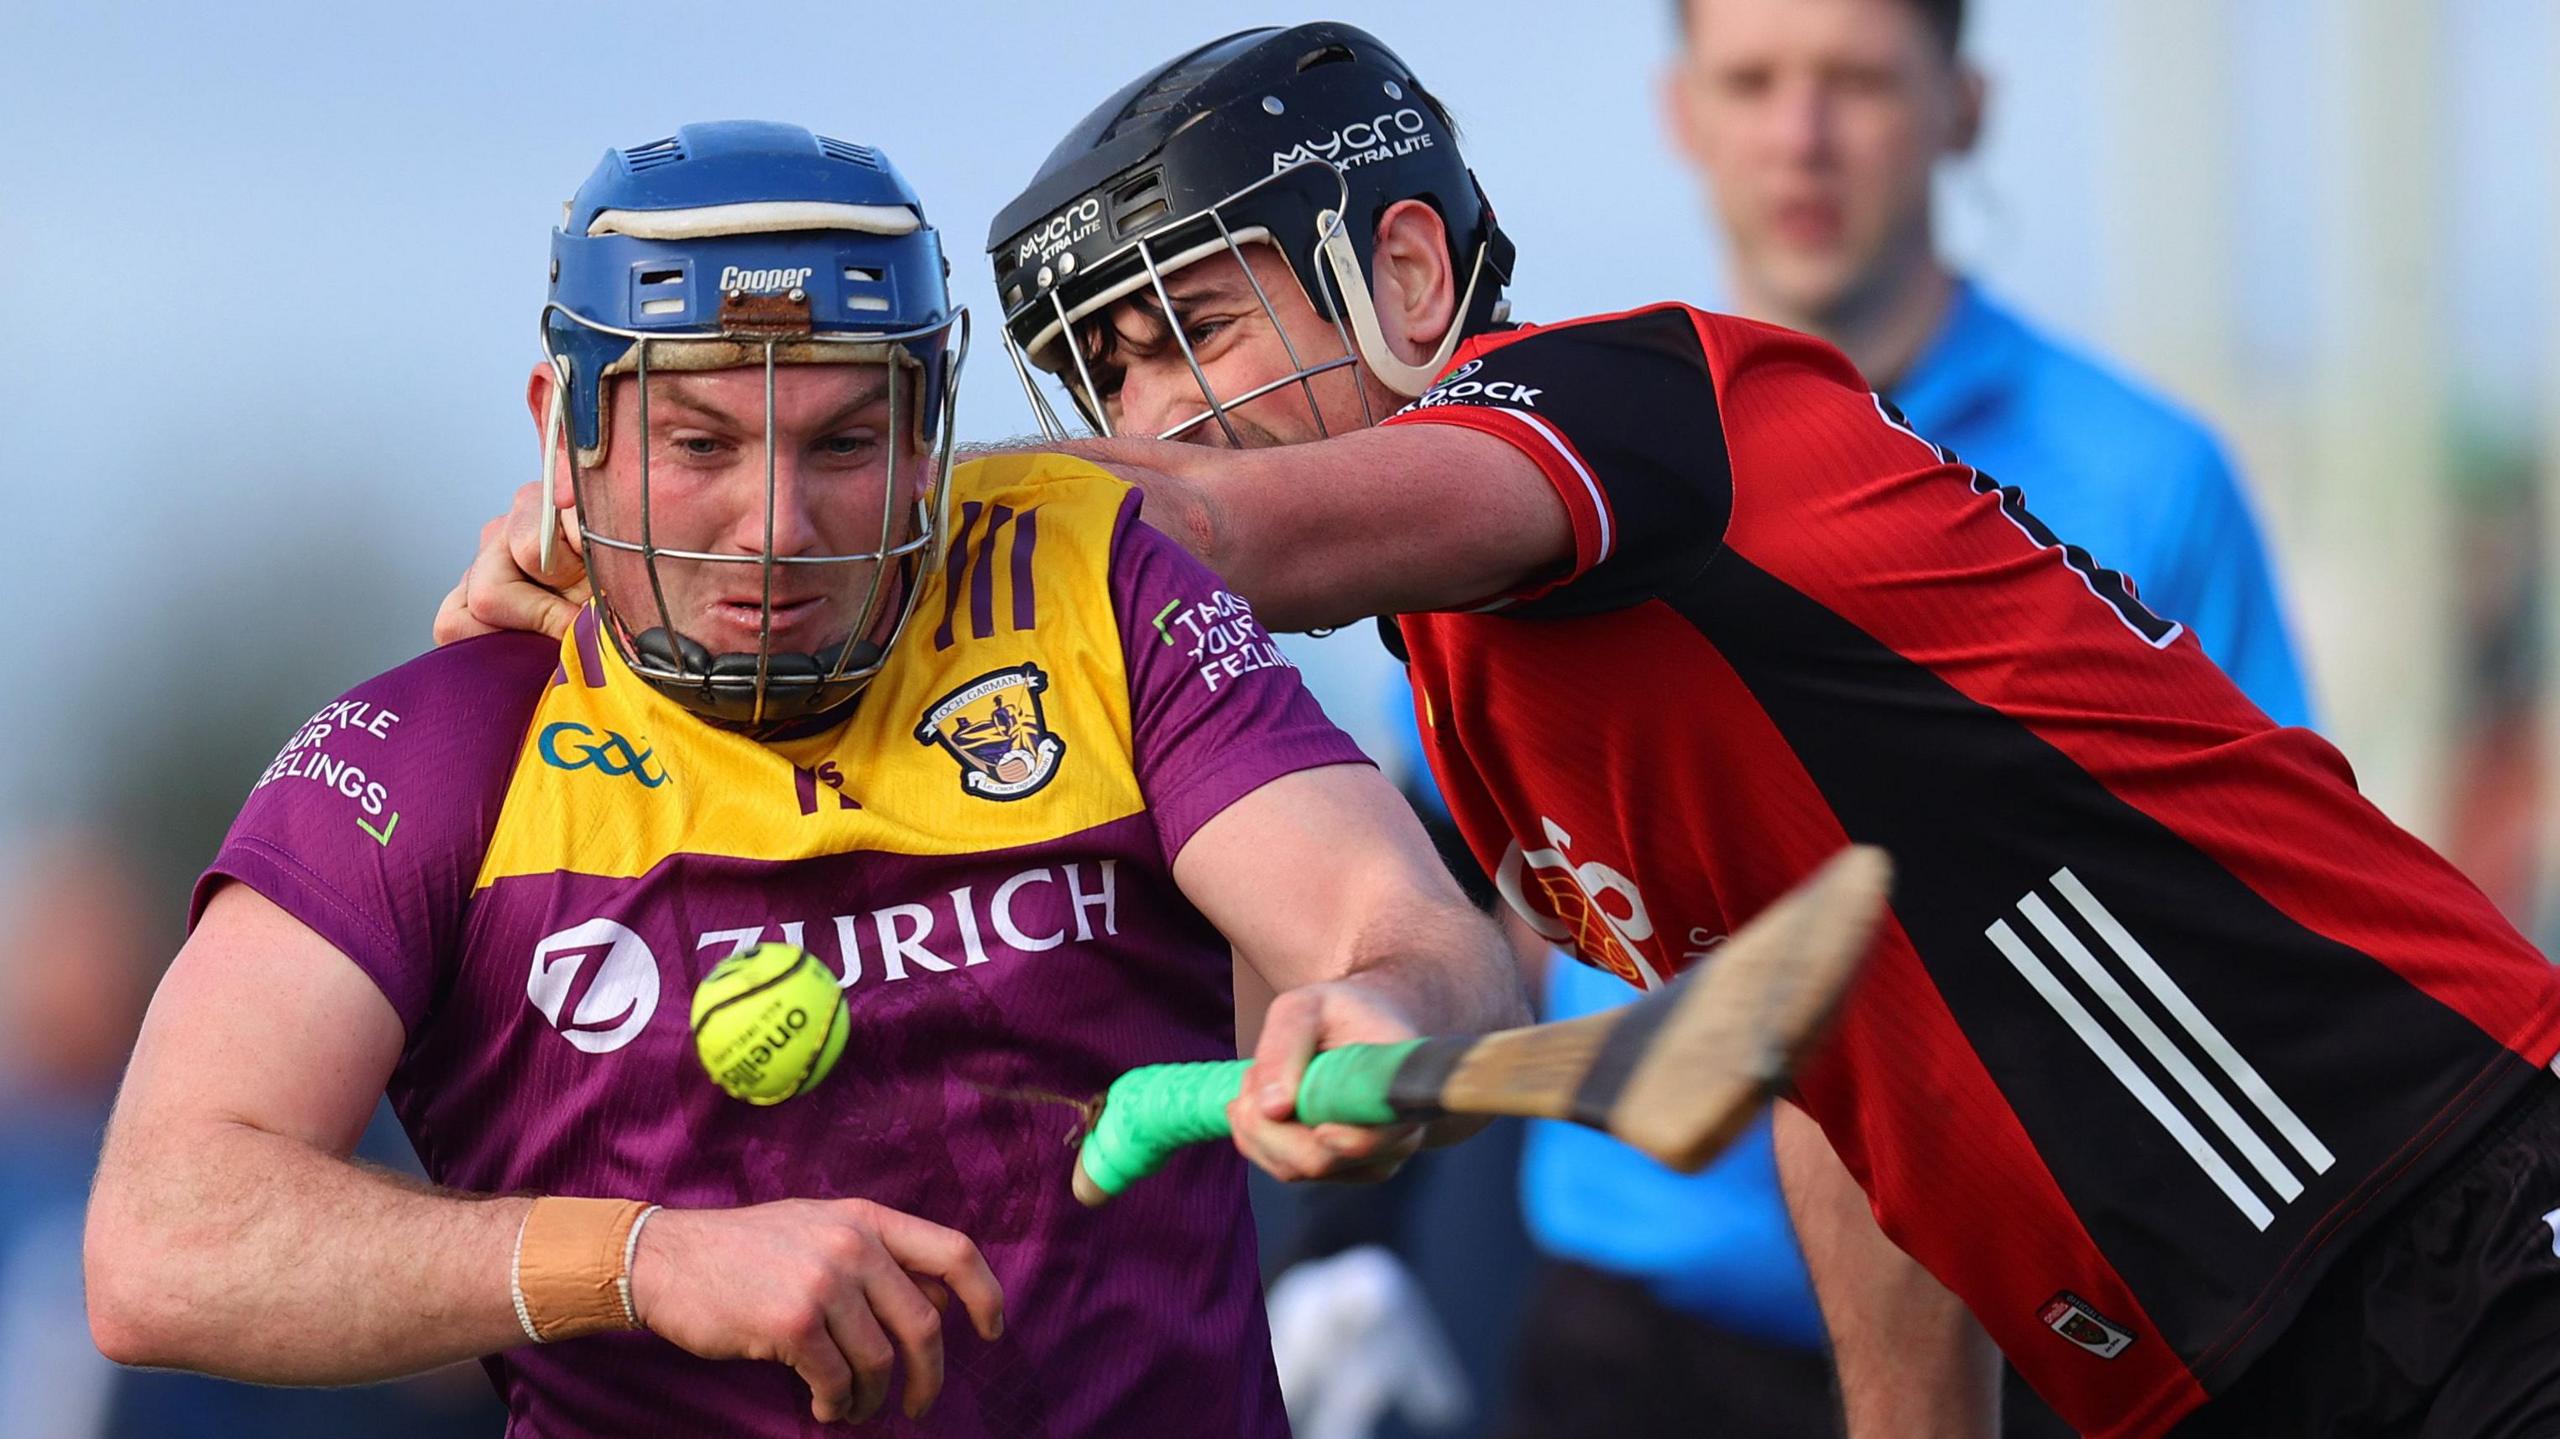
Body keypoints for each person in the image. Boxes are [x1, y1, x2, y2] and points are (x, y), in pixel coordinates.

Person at [451, 29, 2560, 1438]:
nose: (1147, 415)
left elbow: (1195, 528)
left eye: (1193, 326)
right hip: (2210, 1367)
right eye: (1102, 370)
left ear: (1400, 266)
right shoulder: (1470, 704)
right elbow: (1821, 1052)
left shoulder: (1635, 409)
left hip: (2442, 1201)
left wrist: (707, 513)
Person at [85, 120, 1524, 1438]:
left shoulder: (1090, 595)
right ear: (564, 436)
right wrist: (635, 1263)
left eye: (845, 442)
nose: (774, 528)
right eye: (700, 444)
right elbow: (163, 1241)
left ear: (929, 437)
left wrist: (1381, 1002)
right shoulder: (439, 749)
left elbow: (1416, 939)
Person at [1508, 1, 2316, 1433]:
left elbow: (2277, 902)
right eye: (1754, 81)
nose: (1802, 136)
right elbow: (1459, 853)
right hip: (1641, 1330)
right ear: (1682, 115)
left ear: (1965, 107)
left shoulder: (2148, 474)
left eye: (1859, 81)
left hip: (2053, 1333)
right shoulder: (1544, 471)